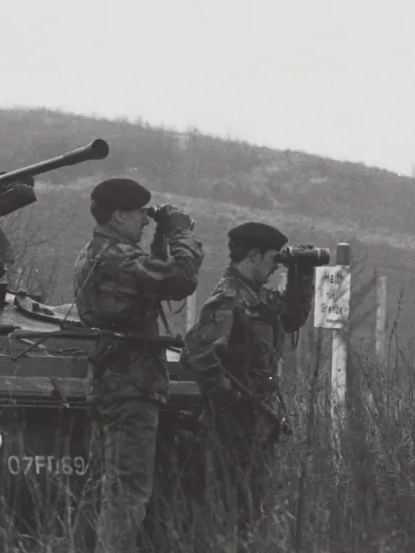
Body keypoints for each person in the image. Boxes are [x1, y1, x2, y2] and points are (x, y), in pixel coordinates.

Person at [71, 177, 204, 553]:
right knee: (128, 491)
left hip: (108, 383)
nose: (145, 222)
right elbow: (180, 279)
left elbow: (150, 278)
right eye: (140, 215)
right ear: (117, 215)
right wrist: (180, 233)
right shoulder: (117, 260)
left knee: (100, 486)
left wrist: (161, 236)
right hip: (133, 387)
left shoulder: (94, 254)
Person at [180, 222, 315, 551]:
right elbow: (196, 355)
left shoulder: (257, 298)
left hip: (257, 428)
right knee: (229, 514)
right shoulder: (228, 301)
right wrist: (234, 400)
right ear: (253, 255)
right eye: (272, 258)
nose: (273, 267)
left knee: (252, 513)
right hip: (231, 431)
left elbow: (292, 317)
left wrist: (301, 273)